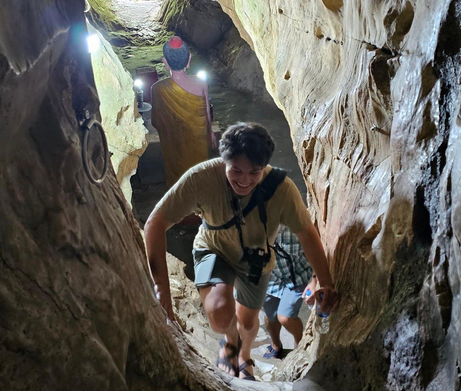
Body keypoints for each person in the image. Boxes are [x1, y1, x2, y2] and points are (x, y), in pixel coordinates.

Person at [144, 123, 339, 381]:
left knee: (248, 322)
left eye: (254, 172)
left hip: (256, 259)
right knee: (219, 314)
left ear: (264, 167)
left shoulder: (281, 189)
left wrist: (324, 281)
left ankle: (244, 355)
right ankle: (229, 342)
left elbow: (307, 234)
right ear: (224, 160)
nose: (244, 180)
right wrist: (161, 291)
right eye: (236, 170)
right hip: (214, 248)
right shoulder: (201, 178)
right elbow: (155, 222)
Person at [151, 36, 216, 189]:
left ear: (165, 62)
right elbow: (207, 113)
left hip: (174, 148)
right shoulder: (201, 83)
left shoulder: (158, 89)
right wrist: (210, 132)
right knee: (200, 178)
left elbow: (156, 122)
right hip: (198, 143)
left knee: (179, 185)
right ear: (189, 60)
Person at [261, 225, 314, 359]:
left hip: (298, 275)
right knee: (270, 316)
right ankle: (275, 345)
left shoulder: (295, 225)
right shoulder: (253, 227)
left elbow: (315, 249)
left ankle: (300, 344)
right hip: (271, 277)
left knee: (285, 317)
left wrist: (315, 279)